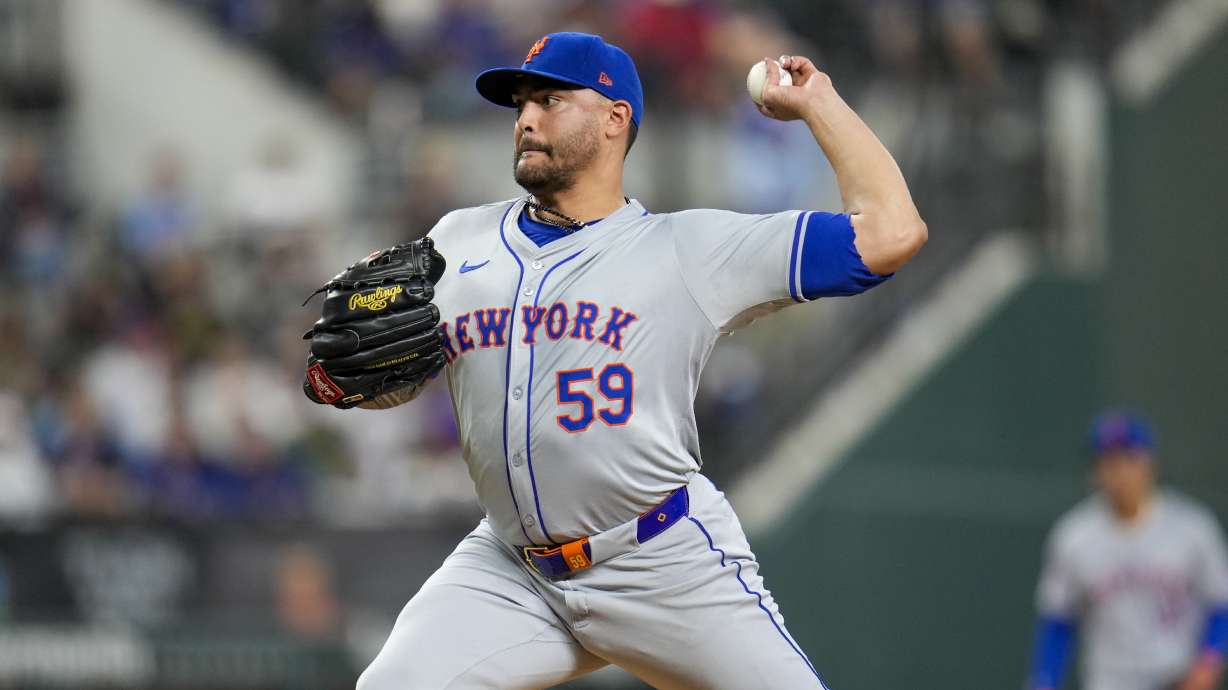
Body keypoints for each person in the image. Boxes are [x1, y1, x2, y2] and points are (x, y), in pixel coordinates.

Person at [357, 31, 926, 689]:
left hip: (659, 560)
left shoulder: (688, 251)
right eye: (520, 103)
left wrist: (819, 103)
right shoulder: (457, 240)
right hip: (512, 571)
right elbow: (383, 377)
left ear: (614, 118)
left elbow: (891, 233)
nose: (527, 119)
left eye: (549, 99)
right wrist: (352, 383)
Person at [1029, 411, 1228, 690]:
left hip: (1176, 675)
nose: (1119, 472)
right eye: (1108, 461)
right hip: (1111, 680)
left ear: (1149, 463)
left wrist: (1209, 659)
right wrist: (1044, 682)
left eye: (1128, 460)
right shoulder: (1074, 536)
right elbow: (1058, 620)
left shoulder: (1192, 527)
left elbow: (1221, 602)